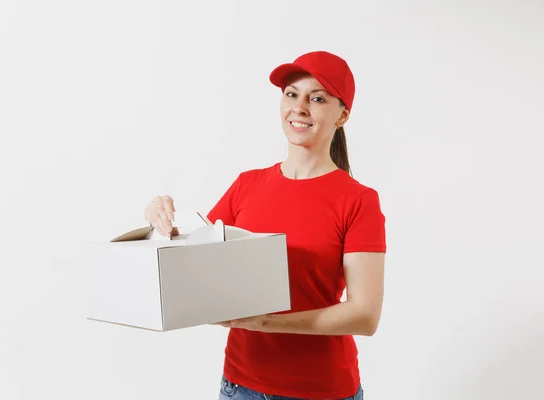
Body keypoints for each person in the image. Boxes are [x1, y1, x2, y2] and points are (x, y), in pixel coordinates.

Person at [144, 51, 386, 400]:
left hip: (321, 391)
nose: (299, 107)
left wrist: (263, 322)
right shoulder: (247, 185)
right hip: (240, 387)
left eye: (317, 98)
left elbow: (365, 316)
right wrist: (161, 220)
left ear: (343, 114)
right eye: (291, 94)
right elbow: (192, 264)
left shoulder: (358, 200)